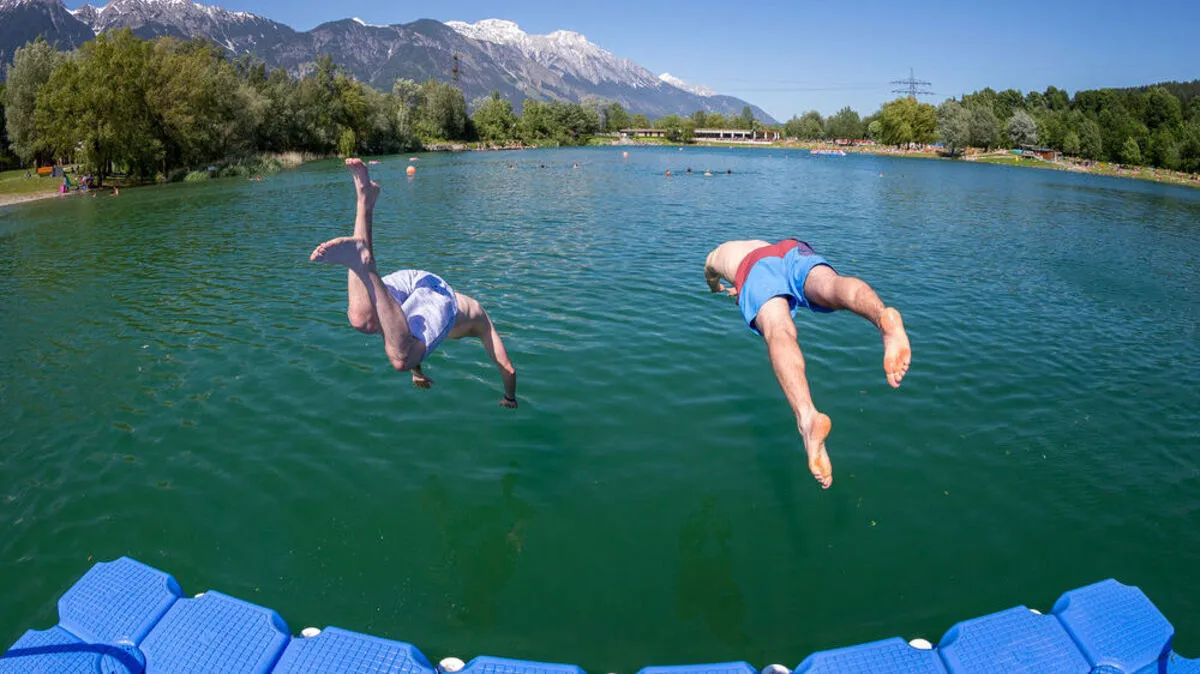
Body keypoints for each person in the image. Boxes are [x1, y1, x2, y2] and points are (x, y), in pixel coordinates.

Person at [703, 239, 911, 489]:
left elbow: (711, 274)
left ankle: (807, 418)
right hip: (791, 250)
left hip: (753, 268)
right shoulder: (759, 244)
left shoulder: (717, 255)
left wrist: (717, 287)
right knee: (832, 287)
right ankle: (881, 317)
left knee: (779, 329)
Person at [311, 159, 519, 407]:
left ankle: (364, 200)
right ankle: (365, 266)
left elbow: (405, 330)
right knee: (401, 359)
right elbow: (508, 369)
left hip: (417, 279)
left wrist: (417, 372)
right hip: (442, 296)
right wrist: (510, 397)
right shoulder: (482, 321)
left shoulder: (438, 318)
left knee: (362, 319)